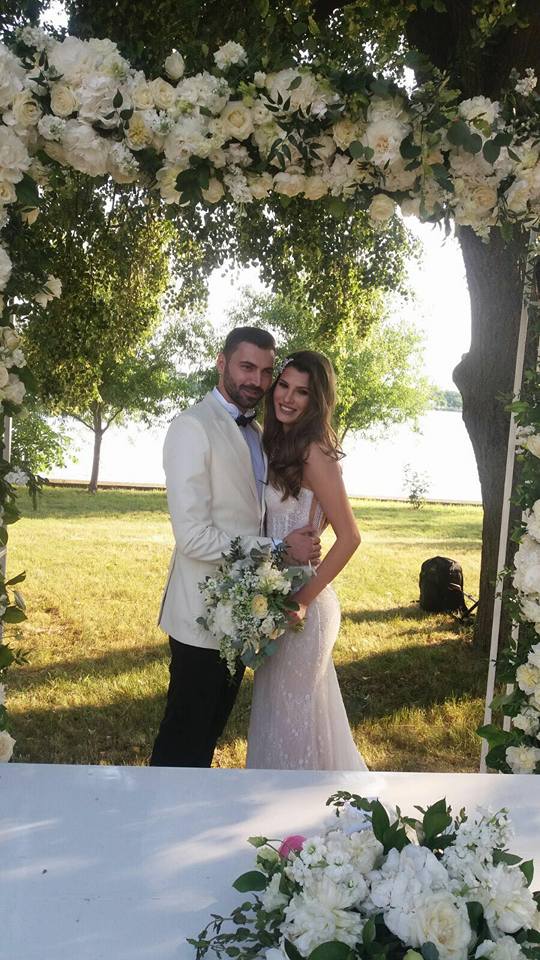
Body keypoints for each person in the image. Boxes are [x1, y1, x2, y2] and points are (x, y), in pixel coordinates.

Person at [150, 328, 321, 768]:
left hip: (242, 614)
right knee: (183, 739)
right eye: (247, 367)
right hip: (199, 613)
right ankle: (161, 809)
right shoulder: (191, 427)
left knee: (208, 734)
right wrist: (278, 549)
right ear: (221, 362)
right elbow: (192, 536)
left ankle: (187, 807)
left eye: (266, 372)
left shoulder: (258, 431)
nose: (257, 381)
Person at [246, 350, 367, 770]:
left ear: (317, 401)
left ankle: (302, 807)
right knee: (280, 719)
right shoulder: (277, 442)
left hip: (304, 608)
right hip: (275, 598)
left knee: (294, 725)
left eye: (302, 392)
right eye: (284, 386)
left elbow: (350, 537)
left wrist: (301, 599)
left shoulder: (315, 451)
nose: (288, 398)